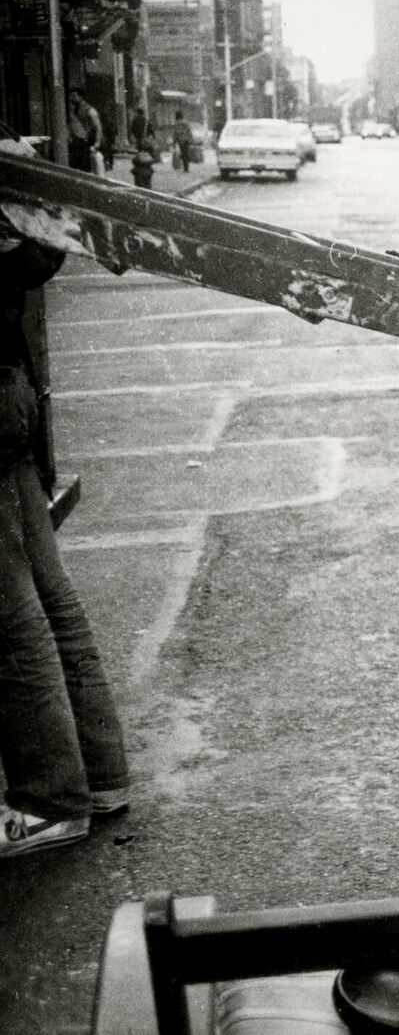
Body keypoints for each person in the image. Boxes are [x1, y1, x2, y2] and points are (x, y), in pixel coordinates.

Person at [0, 236, 131, 858]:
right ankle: (99, 778)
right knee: (47, 598)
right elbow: (33, 256)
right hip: (6, 382)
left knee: (12, 618)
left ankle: (49, 801)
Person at [67, 91, 102, 175]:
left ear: (81, 97)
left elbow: (98, 127)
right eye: (71, 96)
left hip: (85, 142)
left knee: (86, 168)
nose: (71, 98)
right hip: (76, 142)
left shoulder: (89, 110)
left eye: (74, 95)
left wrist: (97, 142)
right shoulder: (73, 109)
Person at [131, 124, 160, 190]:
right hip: (146, 170)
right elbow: (154, 159)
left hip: (139, 172)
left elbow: (134, 162)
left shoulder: (137, 158)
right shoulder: (149, 159)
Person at [171, 109, 194, 173]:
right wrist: (191, 139)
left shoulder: (176, 123)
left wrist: (174, 142)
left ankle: (184, 167)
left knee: (182, 153)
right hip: (186, 140)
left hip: (179, 140)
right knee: (185, 154)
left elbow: (175, 133)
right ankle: (186, 168)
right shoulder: (186, 122)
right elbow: (189, 131)